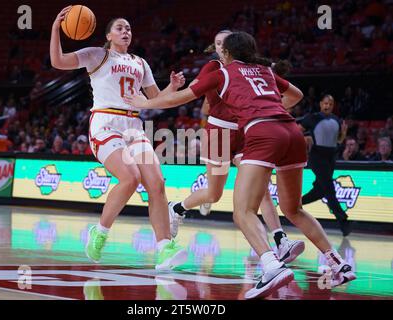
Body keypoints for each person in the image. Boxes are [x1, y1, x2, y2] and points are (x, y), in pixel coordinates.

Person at [124, 31, 356, 299]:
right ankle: (338, 262)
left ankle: (271, 265)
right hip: (289, 131)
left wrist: (145, 103)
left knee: (242, 211)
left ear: (227, 52)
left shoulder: (222, 72)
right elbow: (297, 94)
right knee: (292, 208)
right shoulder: (264, 70)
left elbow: (181, 98)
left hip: (260, 131)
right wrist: (268, 107)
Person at [50, 7, 188, 270]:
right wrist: (56, 29)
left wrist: (172, 87)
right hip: (105, 123)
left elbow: (156, 100)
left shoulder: (140, 63)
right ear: (109, 35)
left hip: (133, 126)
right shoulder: (97, 55)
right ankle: (99, 232)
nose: (126, 32)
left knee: (156, 183)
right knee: (131, 177)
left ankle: (163, 248)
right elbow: (58, 61)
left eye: (128, 29)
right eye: (120, 28)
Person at [168, 30, 304, 264]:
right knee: (214, 193)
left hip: (246, 131)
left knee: (260, 190)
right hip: (219, 133)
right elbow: (193, 96)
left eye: (226, 43)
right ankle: (177, 208)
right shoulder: (213, 69)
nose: (222, 47)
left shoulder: (249, 68)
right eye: (218, 43)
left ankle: (281, 240)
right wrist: (171, 89)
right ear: (216, 47)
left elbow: (290, 94)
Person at [299, 95, 353, 236]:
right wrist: (304, 140)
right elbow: (296, 130)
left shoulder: (337, 119)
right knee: (329, 188)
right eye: (325, 103)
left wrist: (344, 135)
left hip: (331, 157)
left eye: (330, 103)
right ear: (320, 104)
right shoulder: (313, 118)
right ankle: (343, 220)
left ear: (333, 105)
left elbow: (338, 141)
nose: (327, 106)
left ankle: (295, 204)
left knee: (320, 191)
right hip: (317, 156)